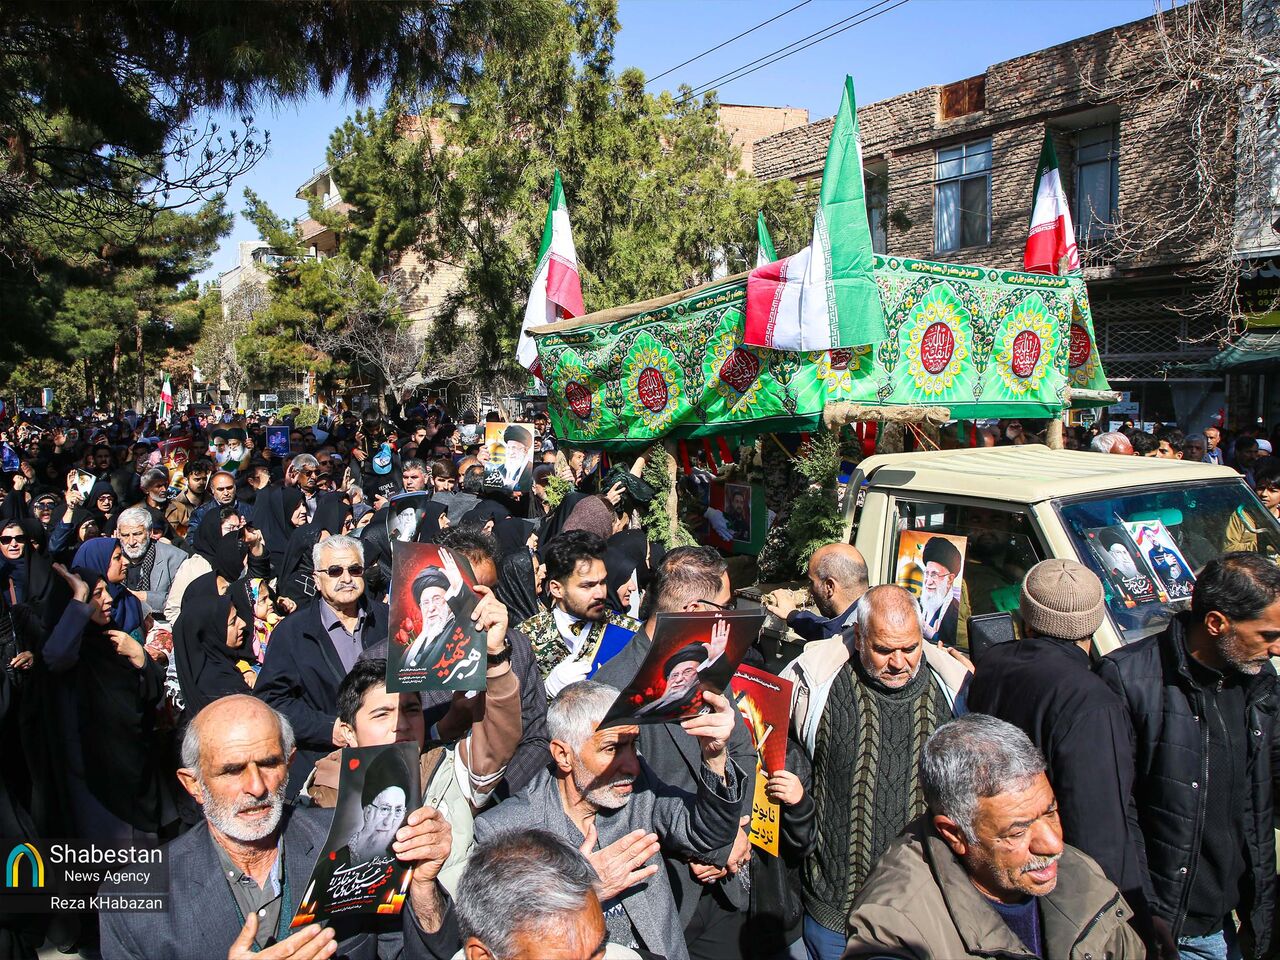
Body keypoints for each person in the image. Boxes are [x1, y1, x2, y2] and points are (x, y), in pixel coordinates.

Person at [98, 695, 450, 959]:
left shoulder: (348, 843)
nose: (256, 787)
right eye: (232, 770)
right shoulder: (132, 901)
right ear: (193, 785)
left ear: (290, 763)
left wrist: (422, 888)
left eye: (268, 764)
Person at [474, 680, 745, 960]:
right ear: (563, 755)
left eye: (632, 745)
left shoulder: (638, 789)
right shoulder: (506, 832)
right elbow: (507, 938)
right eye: (611, 749)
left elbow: (710, 837)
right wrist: (582, 892)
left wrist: (714, 756)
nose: (632, 765)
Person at [1097, 553, 1280, 959]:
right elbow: (1115, 811)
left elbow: (1266, 784)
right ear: (1216, 623)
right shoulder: (1128, 679)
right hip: (1170, 928)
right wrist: (1146, 912)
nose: (1277, 648)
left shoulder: (1258, 682)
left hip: (1233, 918)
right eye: (1267, 634)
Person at [844, 713, 1145, 959]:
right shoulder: (898, 925)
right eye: (1017, 831)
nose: (1053, 844)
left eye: (1050, 812)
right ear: (955, 834)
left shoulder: (1081, 874)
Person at [965, 559, 1150, 942]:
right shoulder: (1090, 700)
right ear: (1094, 621)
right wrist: (1132, 927)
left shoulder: (993, 662)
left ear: (1026, 615)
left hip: (994, 861)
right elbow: (1101, 830)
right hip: (1061, 891)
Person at [778, 584, 966, 960]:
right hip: (832, 915)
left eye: (910, 648)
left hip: (917, 917)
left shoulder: (955, 691)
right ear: (859, 636)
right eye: (883, 650)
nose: (898, 662)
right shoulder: (815, 681)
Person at [594, 546, 761, 960]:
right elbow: (622, 802)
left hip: (725, 887)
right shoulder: (612, 688)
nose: (729, 618)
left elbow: (743, 752)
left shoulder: (710, 666)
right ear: (695, 610)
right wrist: (708, 845)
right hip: (667, 893)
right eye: (724, 608)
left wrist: (733, 830)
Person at [300, 654, 521, 892]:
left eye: (412, 710)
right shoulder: (321, 794)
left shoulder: (450, 767)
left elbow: (498, 740)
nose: (401, 724)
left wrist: (495, 661)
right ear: (348, 733)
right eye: (382, 714)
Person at [255, 534, 390, 795]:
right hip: (326, 769)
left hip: (388, 758)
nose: (346, 578)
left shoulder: (388, 620)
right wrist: (329, 728)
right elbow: (271, 700)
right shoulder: (293, 633)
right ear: (317, 579)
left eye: (354, 569)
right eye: (335, 571)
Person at [520, 531, 640, 697]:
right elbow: (512, 707)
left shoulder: (630, 632)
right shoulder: (526, 639)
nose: (600, 593)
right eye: (587, 586)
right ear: (557, 589)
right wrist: (546, 692)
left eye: (603, 582)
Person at [764, 543, 869, 642]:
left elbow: (834, 637)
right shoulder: (865, 617)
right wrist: (792, 615)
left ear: (829, 587)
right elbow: (828, 630)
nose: (809, 590)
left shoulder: (854, 640)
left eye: (811, 582)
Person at [115, 505, 185, 619]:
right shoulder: (112, 557)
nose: (131, 542)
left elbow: (183, 600)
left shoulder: (175, 558)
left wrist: (145, 597)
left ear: (150, 532)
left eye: (137, 534)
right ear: (118, 534)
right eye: (125, 535)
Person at [918, 536, 962, 648]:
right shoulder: (915, 604)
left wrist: (933, 635)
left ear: (950, 579)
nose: (928, 581)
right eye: (927, 573)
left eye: (934, 575)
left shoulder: (957, 614)